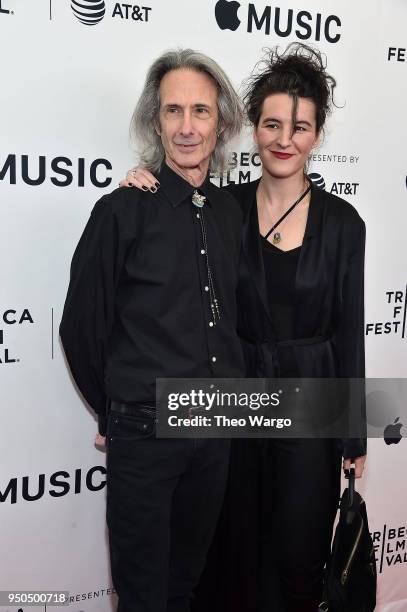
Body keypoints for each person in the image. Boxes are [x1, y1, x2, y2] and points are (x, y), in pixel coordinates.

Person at [120, 43, 367, 612]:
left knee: (300, 554)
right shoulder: (221, 206)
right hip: (231, 398)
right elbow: (170, 238)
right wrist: (144, 181)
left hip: (311, 402)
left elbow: (349, 330)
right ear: (252, 128)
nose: (285, 139)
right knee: (229, 553)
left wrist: (352, 433)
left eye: (300, 127)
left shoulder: (344, 223)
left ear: (318, 134)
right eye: (272, 124)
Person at [60, 49, 247, 612]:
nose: (187, 127)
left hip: (215, 428)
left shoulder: (231, 212)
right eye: (172, 111)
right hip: (146, 433)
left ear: (222, 123)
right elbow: (81, 325)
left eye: (200, 111)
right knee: (143, 597)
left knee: (184, 587)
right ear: (154, 120)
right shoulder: (121, 210)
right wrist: (119, 410)